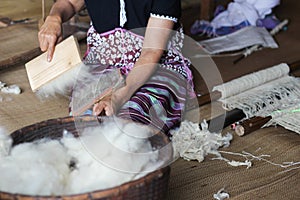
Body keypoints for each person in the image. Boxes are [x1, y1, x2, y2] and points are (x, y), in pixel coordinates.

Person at [38, 0, 196, 135]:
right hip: (105, 62)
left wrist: (118, 96)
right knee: (88, 116)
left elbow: (151, 52)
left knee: (131, 121)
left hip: (155, 65)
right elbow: (70, 3)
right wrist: (54, 18)